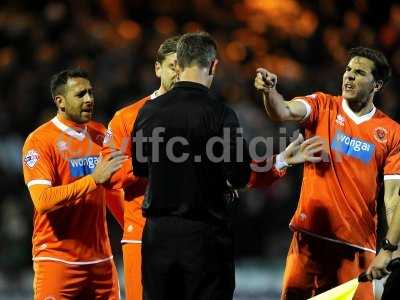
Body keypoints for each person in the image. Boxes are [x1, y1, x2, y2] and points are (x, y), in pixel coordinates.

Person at [254, 47, 400, 300]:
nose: (349, 76)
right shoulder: (322, 105)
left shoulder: (391, 132)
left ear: (377, 85)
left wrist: (388, 249)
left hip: (356, 250)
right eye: (348, 70)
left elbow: (393, 199)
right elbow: (284, 111)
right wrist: (270, 92)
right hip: (308, 242)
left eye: (359, 72)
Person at [22, 68, 126, 299]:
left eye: (90, 93)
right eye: (80, 95)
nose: (89, 99)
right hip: (57, 260)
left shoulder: (100, 134)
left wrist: (134, 232)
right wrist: (92, 179)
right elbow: (42, 201)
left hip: (101, 260)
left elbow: (111, 191)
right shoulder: (40, 141)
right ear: (60, 101)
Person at [101, 35, 180, 300]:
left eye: (185, 67)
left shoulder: (210, 115)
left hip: (194, 235)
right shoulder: (128, 117)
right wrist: (147, 164)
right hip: (144, 235)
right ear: (158, 68)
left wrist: (279, 161)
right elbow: (109, 172)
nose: (179, 74)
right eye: (173, 66)